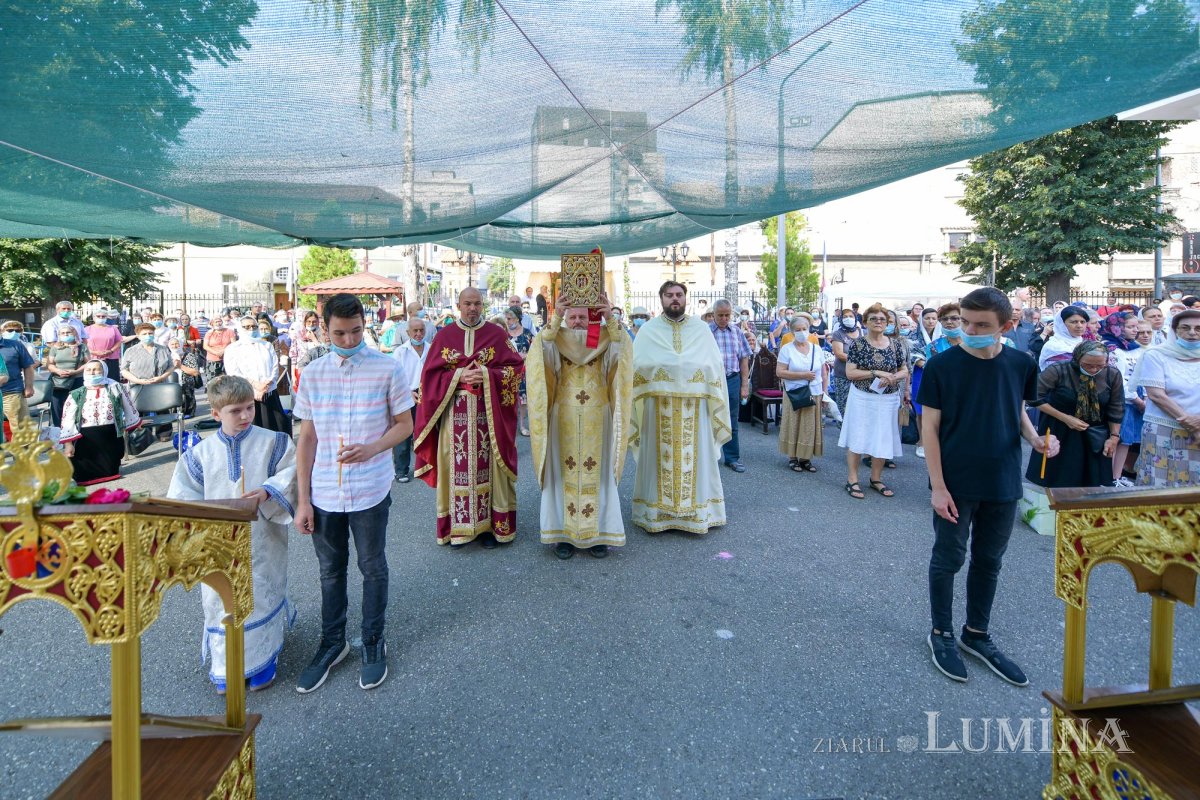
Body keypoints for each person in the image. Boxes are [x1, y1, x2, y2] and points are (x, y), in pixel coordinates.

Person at [919, 287, 1056, 686]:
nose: (969, 330)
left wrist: (1035, 439)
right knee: (949, 559)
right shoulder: (942, 366)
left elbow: (1015, 406)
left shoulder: (1020, 362)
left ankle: (975, 634)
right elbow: (929, 427)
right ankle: (941, 633)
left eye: (981, 325)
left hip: (1002, 478)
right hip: (955, 481)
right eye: (965, 321)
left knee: (989, 562)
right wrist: (938, 487)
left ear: (1007, 326)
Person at [292, 293, 413, 693]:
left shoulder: (386, 368)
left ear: (366, 324)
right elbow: (307, 437)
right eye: (339, 333)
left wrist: (372, 448)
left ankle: (373, 640)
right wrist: (303, 500)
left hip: (370, 488)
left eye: (356, 331)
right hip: (325, 490)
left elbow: (404, 425)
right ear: (323, 329)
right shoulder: (312, 374)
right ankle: (332, 643)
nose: (348, 340)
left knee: (372, 566)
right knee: (330, 571)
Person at [168, 375, 297, 694]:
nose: (244, 416)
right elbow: (182, 495)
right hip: (216, 542)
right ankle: (226, 664)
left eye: (248, 408)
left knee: (259, 590)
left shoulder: (274, 441)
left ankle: (264, 659)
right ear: (215, 414)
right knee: (219, 600)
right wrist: (199, 528)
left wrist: (268, 492)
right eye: (235, 411)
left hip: (261, 537)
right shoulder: (200, 455)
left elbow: (290, 473)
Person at [414, 287, 524, 548]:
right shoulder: (445, 336)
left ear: (482, 305)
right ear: (458, 305)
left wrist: (487, 374)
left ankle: (489, 528)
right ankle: (458, 528)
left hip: (489, 417)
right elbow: (428, 379)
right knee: (456, 469)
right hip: (454, 417)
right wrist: (458, 376)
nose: (472, 308)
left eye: (477, 303)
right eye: (467, 303)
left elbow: (515, 369)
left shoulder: (496, 335)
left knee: (490, 469)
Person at [526, 292, 632, 559]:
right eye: (572, 317)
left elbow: (624, 353)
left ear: (591, 317)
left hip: (599, 416)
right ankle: (563, 535)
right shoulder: (554, 339)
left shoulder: (605, 338)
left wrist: (609, 316)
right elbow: (541, 359)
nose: (576, 322)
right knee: (562, 475)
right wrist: (555, 318)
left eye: (582, 317)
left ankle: (598, 534)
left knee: (600, 475)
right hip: (564, 417)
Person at [629, 281, 729, 534]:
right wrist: (672, 368)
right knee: (656, 459)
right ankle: (655, 513)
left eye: (679, 295)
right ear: (661, 298)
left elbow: (713, 366)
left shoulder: (701, 329)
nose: (675, 299)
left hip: (694, 408)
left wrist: (682, 368)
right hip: (657, 406)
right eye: (669, 295)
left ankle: (698, 513)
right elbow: (637, 365)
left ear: (686, 298)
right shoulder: (649, 330)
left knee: (696, 459)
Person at [1026, 340, 1123, 490]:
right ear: (1077, 359)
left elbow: (1116, 407)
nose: (1093, 369)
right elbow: (1033, 397)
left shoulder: (1112, 374)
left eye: (1099, 365)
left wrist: (1114, 437)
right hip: (1060, 431)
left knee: (1093, 484)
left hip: (1094, 434)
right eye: (1088, 365)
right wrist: (1065, 417)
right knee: (1059, 480)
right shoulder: (1058, 370)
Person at [838, 303, 908, 499]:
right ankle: (852, 480)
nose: (878, 322)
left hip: (887, 397)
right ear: (865, 322)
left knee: (883, 437)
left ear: (887, 323)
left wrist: (894, 377)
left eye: (882, 319)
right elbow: (850, 373)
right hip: (862, 397)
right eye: (874, 319)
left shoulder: (896, 344)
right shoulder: (858, 344)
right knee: (858, 435)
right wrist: (875, 372)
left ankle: (875, 479)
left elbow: (904, 369)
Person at [1135, 308, 1200, 488]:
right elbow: (1156, 394)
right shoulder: (1156, 354)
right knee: (1161, 484)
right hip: (1164, 428)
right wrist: (1190, 422)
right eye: (1185, 328)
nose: (1192, 333)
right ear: (1174, 330)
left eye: (1198, 328)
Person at [59, 360, 141, 485]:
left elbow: (128, 406)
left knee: (110, 468)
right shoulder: (77, 394)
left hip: (110, 434)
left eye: (96, 369)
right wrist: (68, 444)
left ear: (104, 371)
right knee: (81, 470)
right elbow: (67, 419)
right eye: (88, 370)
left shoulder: (115, 388)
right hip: (86, 436)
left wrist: (136, 421)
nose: (92, 372)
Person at [223, 316, 291, 435]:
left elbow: (275, 367)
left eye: (254, 326)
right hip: (246, 395)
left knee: (275, 429)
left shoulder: (266, 346)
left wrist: (266, 385)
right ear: (240, 329)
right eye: (247, 327)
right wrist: (255, 387)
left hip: (269, 392)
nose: (251, 329)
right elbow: (234, 372)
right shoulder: (233, 349)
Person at [776, 315, 825, 473]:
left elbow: (823, 372)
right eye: (798, 330)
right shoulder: (787, 349)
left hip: (814, 391)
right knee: (794, 423)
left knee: (809, 426)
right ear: (792, 332)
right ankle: (793, 457)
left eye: (804, 329)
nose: (802, 332)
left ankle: (806, 458)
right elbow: (780, 372)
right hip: (794, 392)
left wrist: (824, 391)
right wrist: (802, 375)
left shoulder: (817, 349)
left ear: (809, 330)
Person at [1100, 312, 1143, 485]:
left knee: (1127, 441)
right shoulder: (1112, 349)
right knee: (1116, 439)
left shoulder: (1133, 347)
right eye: (1130, 327)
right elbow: (1118, 379)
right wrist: (1137, 400)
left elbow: (1140, 375)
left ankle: (1116, 476)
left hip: (1135, 399)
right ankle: (1107, 477)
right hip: (1121, 400)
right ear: (1117, 327)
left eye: (1136, 327)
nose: (1136, 330)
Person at [710, 298, 752, 473]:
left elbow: (744, 359)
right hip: (711, 381)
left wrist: (744, 385)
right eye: (720, 315)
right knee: (708, 418)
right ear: (713, 315)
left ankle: (732, 458)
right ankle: (709, 457)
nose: (724, 318)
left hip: (732, 379)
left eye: (727, 315)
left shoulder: (736, 332)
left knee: (731, 419)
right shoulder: (706, 332)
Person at [391, 316, 429, 483]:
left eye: (421, 330)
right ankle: (401, 470)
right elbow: (394, 378)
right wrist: (407, 392)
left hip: (428, 394)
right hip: (405, 393)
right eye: (415, 331)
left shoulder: (432, 348)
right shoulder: (400, 352)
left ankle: (428, 466)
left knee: (428, 432)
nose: (419, 334)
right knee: (404, 434)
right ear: (408, 332)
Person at [46, 322, 89, 427]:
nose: (65, 335)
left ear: (74, 333)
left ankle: (75, 430)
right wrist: (57, 371)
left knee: (76, 406)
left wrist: (76, 371)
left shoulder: (82, 347)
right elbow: (50, 364)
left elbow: (88, 363)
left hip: (77, 380)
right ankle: (58, 430)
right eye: (63, 333)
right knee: (57, 408)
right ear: (59, 335)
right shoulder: (55, 348)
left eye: (68, 332)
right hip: (58, 382)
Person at [503, 306, 534, 436]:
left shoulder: (527, 333)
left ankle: (521, 425)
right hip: (509, 370)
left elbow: (535, 350)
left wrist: (525, 355)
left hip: (524, 370)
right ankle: (508, 426)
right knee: (508, 399)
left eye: (509, 318)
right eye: (507, 318)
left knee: (523, 399)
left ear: (517, 319)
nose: (508, 321)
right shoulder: (504, 333)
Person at [120, 322, 174, 389]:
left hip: (160, 386)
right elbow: (124, 370)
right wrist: (138, 381)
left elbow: (171, 367)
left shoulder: (163, 349)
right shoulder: (130, 351)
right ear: (138, 336)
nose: (148, 336)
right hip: (137, 387)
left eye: (150, 333)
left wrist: (161, 377)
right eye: (144, 334)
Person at [828, 309, 861, 418]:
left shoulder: (863, 333)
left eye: (851, 316)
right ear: (840, 319)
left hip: (861, 375)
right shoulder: (838, 334)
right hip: (843, 375)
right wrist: (860, 360)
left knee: (859, 406)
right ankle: (843, 431)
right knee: (844, 405)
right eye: (845, 316)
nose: (848, 319)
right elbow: (839, 354)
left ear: (855, 318)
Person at [1038, 306, 1088, 370]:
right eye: (1074, 322)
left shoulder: (1084, 343)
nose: (1079, 326)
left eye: (1082, 322)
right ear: (1061, 324)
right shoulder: (1053, 346)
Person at [85, 309, 124, 381]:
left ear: (106, 318)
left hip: (111, 358)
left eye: (103, 316)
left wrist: (111, 351)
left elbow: (119, 341)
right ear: (94, 318)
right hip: (93, 358)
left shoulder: (113, 328)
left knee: (112, 380)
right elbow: (84, 344)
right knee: (94, 380)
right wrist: (94, 352)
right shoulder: (87, 329)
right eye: (98, 316)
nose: (101, 318)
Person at [204, 313, 237, 381]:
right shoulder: (209, 333)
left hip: (227, 358)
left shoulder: (229, 331)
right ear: (212, 323)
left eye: (220, 321)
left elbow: (234, 344)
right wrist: (216, 353)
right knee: (212, 381)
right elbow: (205, 346)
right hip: (212, 359)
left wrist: (224, 351)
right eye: (216, 322)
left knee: (227, 380)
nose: (218, 323)